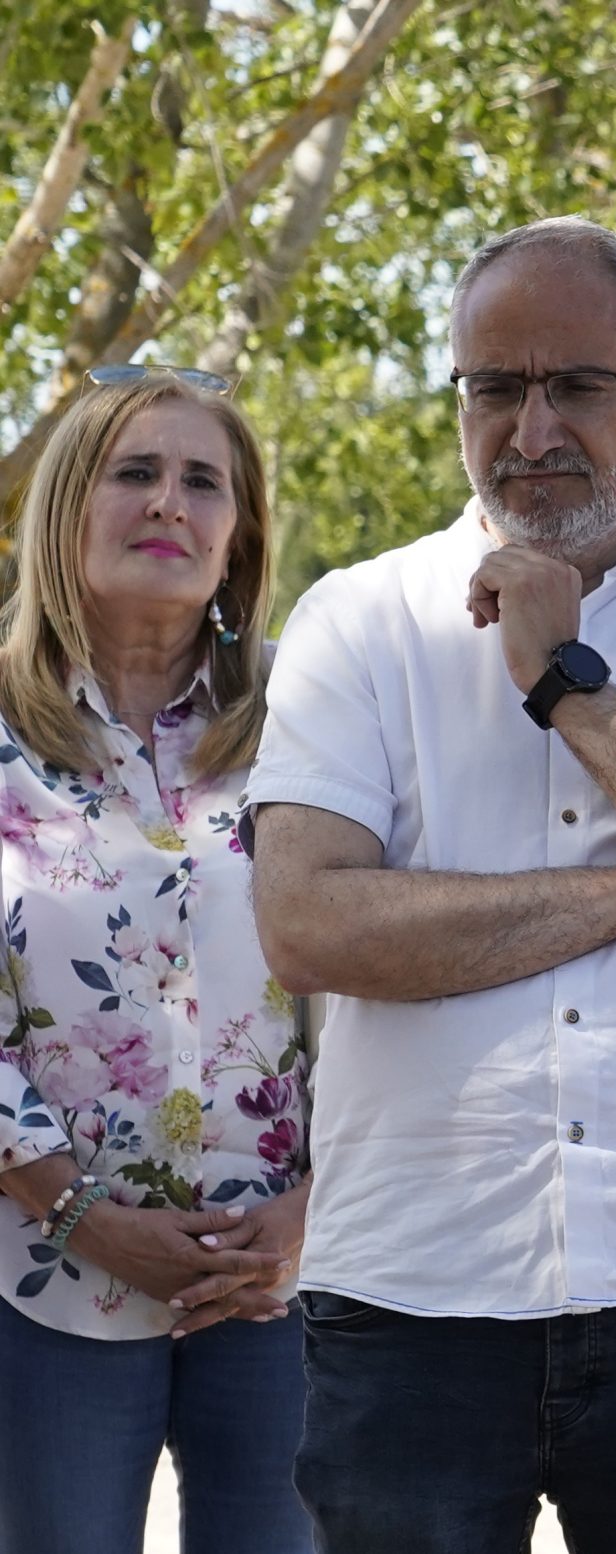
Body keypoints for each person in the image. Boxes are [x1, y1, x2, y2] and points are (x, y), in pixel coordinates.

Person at [244, 216, 616, 1554]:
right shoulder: (358, 620)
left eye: (576, 384)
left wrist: (566, 683)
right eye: (494, 387)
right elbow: (308, 922)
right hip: (411, 1297)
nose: (531, 430)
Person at [0, 369, 311, 1552]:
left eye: (203, 482)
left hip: (280, 1279)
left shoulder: (319, 715)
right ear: (70, 508)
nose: (169, 504)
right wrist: (72, 1209)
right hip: (41, 1277)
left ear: (238, 539)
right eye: (136, 472)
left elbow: (389, 972)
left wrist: (311, 1206)